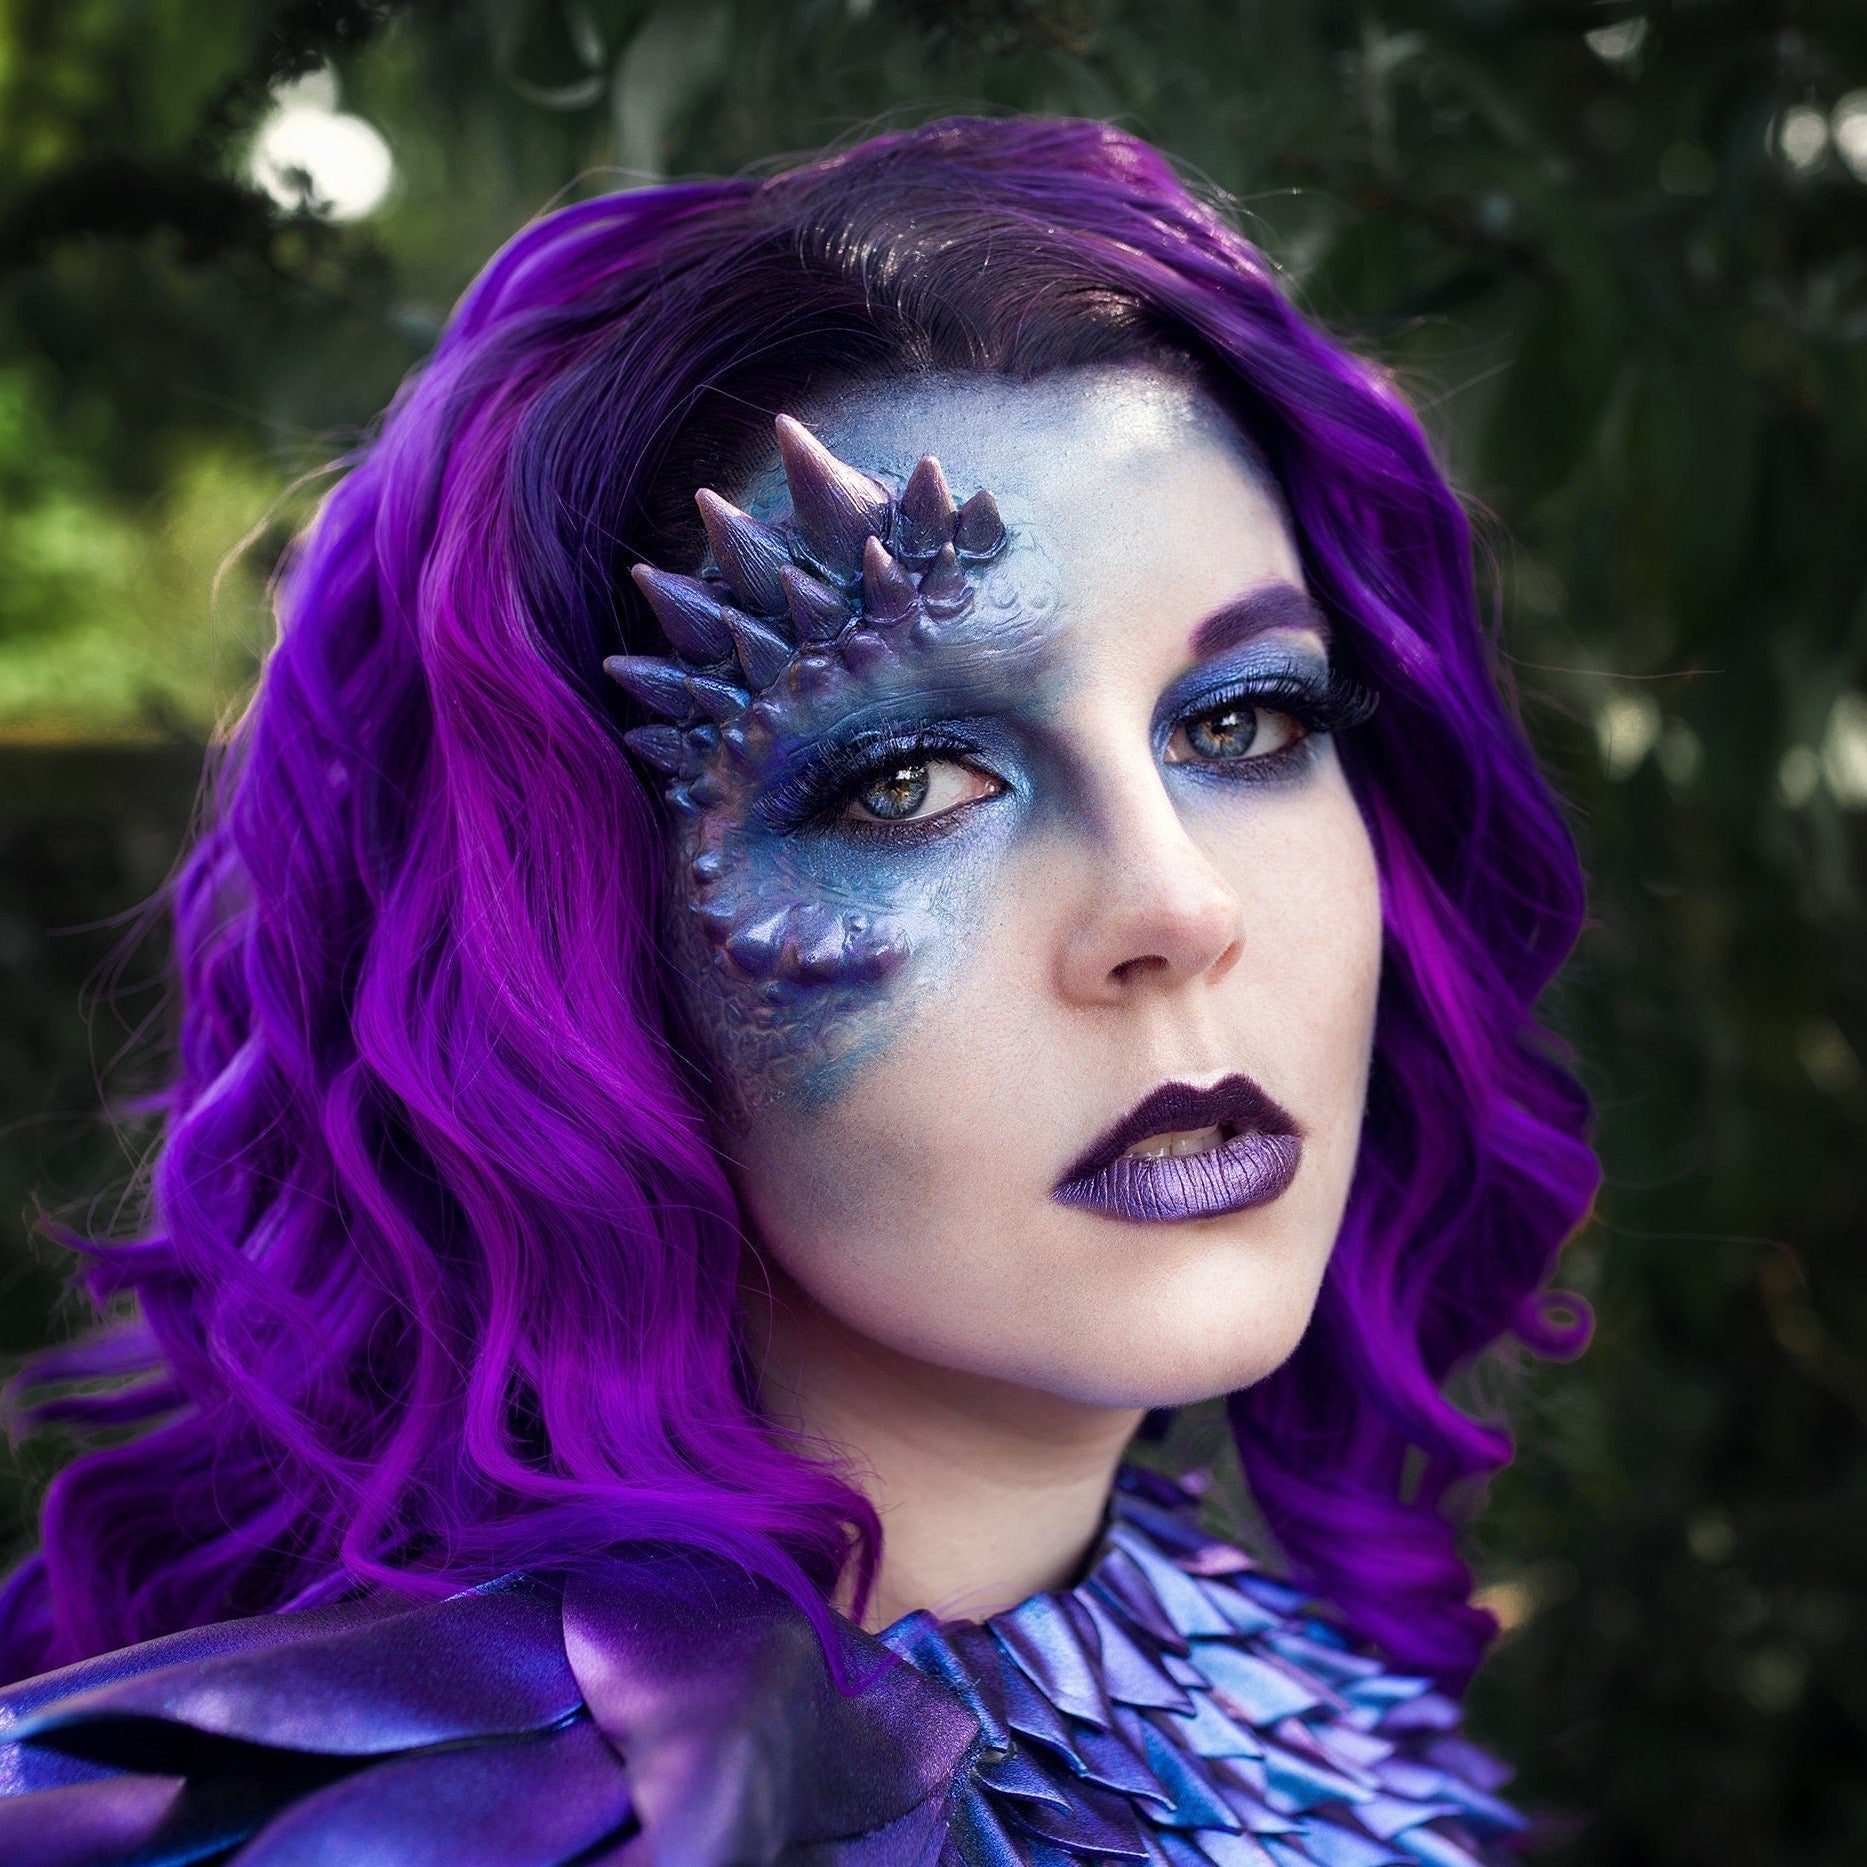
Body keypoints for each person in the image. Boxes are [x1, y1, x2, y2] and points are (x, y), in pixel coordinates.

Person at [0, 117, 1597, 1865]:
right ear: (574, 954)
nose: (1176, 906)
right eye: (902, 778)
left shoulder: (1271, 1675)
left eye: (1245, 724)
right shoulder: (434, 1828)